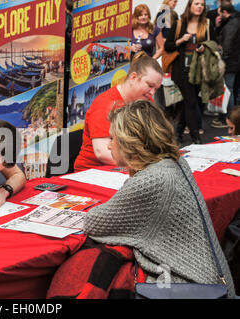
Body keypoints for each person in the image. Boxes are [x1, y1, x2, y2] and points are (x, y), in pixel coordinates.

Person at [83, 100, 236, 298]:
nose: (109, 145)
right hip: (213, 282)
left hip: (187, 287)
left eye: (113, 138)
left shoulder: (152, 180)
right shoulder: (175, 163)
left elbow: (93, 223)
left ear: (129, 143)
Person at [74, 51, 163, 171]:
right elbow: (102, 151)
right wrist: (143, 165)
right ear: (133, 77)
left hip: (128, 166)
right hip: (93, 171)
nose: (152, 92)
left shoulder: (147, 102)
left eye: (156, 89)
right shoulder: (105, 104)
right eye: (149, 85)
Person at [165, 0, 217, 144]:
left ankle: (178, 132)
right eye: (196, 3)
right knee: (191, 101)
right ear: (190, 6)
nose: (199, 6)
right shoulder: (179, 24)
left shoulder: (207, 24)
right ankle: (196, 138)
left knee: (188, 103)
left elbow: (215, 45)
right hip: (181, 71)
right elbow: (167, 46)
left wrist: (204, 48)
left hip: (199, 71)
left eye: (201, 4)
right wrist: (180, 40)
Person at [211, 0, 240, 128]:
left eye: (220, 13)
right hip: (235, 61)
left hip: (231, 63)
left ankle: (231, 119)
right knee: (232, 90)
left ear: (224, 12)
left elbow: (227, 45)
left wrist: (222, 60)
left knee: (229, 90)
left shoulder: (232, 24)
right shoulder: (233, 21)